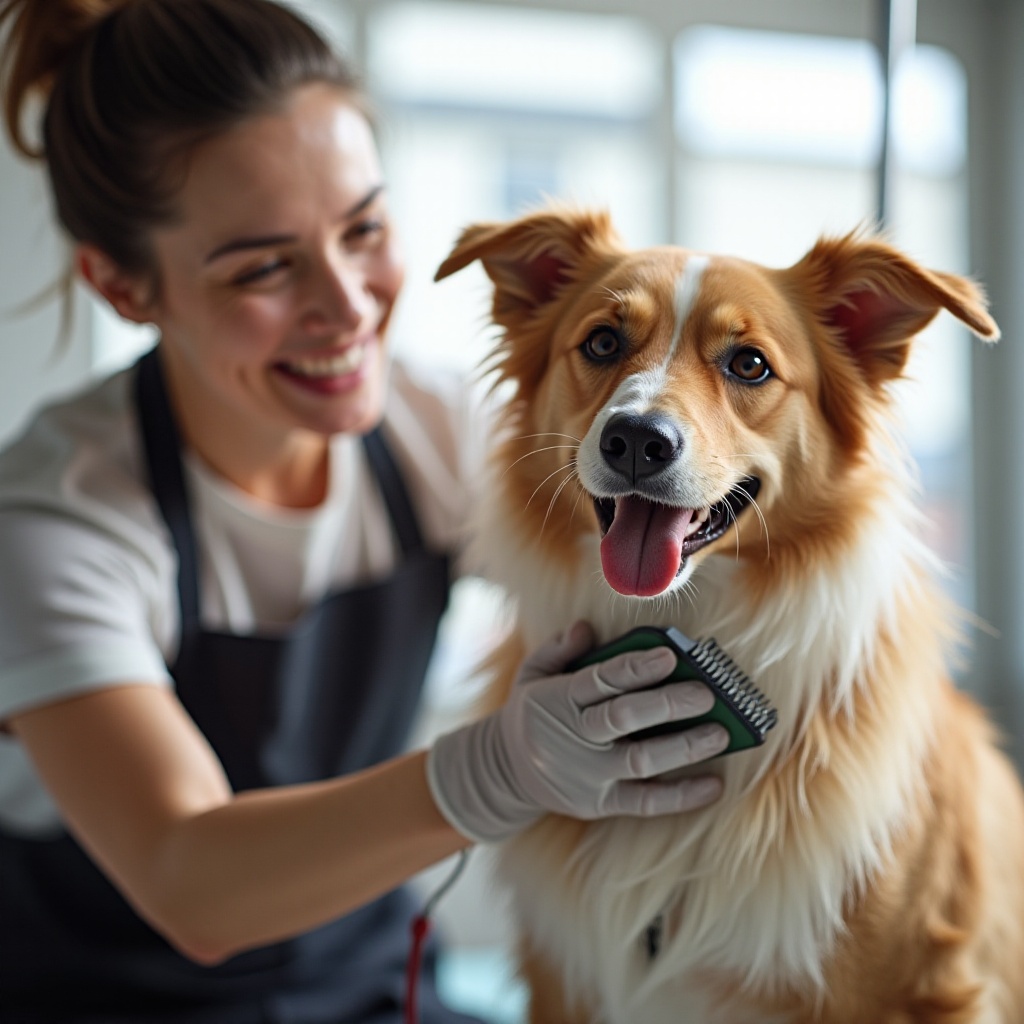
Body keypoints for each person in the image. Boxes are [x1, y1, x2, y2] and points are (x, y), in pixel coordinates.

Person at [0, 1, 731, 1020]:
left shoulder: (442, 431)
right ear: (124, 287)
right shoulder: (56, 520)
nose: (347, 307)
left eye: (365, 230)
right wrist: (494, 770)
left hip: (379, 994)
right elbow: (187, 875)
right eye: (262, 266)